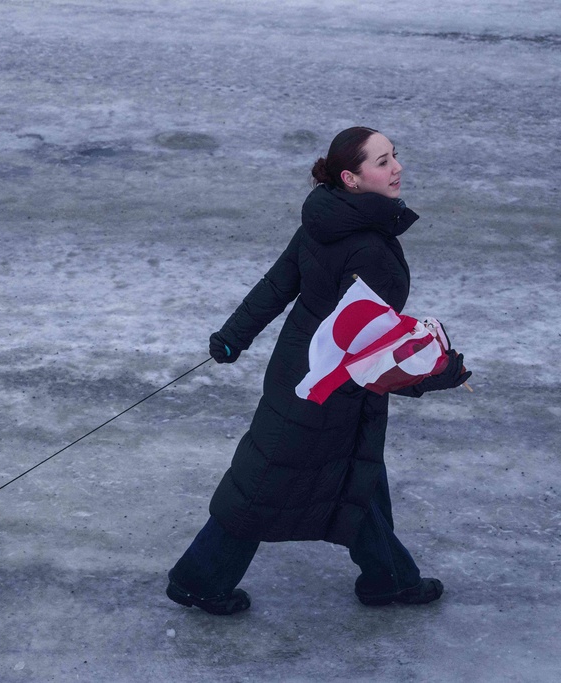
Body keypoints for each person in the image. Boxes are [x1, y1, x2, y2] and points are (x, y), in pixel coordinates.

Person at [167, 127, 472, 615]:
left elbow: (278, 282)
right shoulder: (369, 249)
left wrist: (233, 336)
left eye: (395, 156)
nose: (397, 168)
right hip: (328, 383)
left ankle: (388, 577)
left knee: (356, 475)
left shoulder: (326, 215)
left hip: (301, 369)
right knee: (266, 482)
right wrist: (438, 373)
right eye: (382, 161)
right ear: (351, 178)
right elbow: (374, 354)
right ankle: (199, 580)